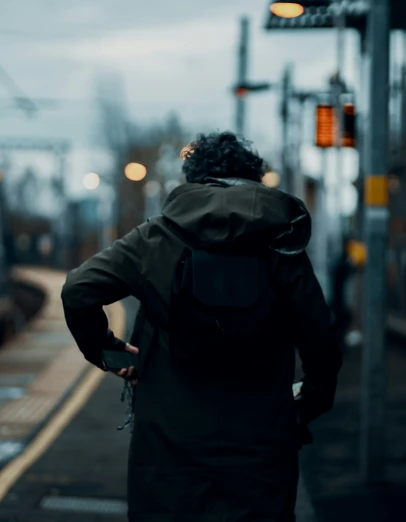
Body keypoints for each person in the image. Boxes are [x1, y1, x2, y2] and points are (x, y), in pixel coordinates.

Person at [62, 132, 342, 521]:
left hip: (168, 453)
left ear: (193, 180)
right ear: (254, 181)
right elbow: (321, 340)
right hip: (260, 450)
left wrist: (105, 349)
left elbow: (78, 289)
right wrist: (305, 406)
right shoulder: (280, 244)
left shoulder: (157, 238)